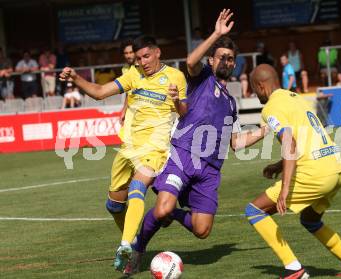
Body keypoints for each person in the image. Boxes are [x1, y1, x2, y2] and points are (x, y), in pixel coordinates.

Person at [124, 9, 267, 276]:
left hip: (210, 170)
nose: (227, 62)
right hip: (184, 155)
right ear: (211, 60)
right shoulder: (202, 79)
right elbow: (191, 61)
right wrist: (216, 34)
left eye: (231, 59)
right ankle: (138, 248)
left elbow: (235, 142)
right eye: (222, 57)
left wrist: (263, 131)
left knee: (202, 230)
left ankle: (170, 213)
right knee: (163, 206)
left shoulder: (231, 103)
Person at [59, 35, 188, 272]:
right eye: (138, 58)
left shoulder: (175, 76)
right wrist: (76, 77)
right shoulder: (133, 75)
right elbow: (99, 92)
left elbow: (184, 112)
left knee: (138, 188)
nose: (142, 62)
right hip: (128, 148)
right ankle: (135, 242)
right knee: (114, 206)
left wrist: (177, 99)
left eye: (146, 56)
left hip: (155, 147)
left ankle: (126, 245)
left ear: (157, 52)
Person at [245, 63, 341, 279]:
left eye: (254, 89)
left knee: (254, 210)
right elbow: (305, 139)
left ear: (260, 85)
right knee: (310, 219)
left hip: (315, 173)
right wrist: (279, 165)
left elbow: (290, 144)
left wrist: (284, 188)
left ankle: (294, 269)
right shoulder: (296, 97)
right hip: (337, 167)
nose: (255, 94)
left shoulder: (271, 107)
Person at [119, 39, 136, 125]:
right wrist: (124, 111)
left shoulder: (144, 66)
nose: (129, 55)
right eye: (126, 53)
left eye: (131, 52)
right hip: (133, 110)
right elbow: (128, 93)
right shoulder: (124, 69)